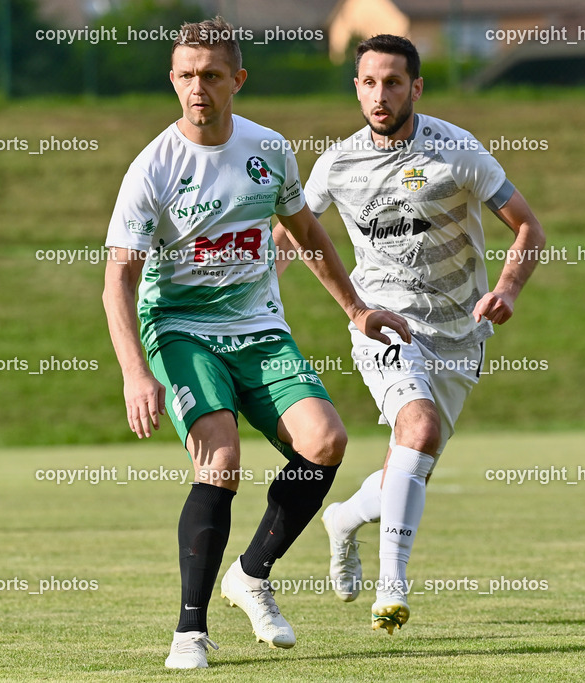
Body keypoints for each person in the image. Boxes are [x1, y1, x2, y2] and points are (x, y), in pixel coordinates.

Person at [101, 17, 410, 670]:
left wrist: (355, 308)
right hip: (181, 328)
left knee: (326, 440)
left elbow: (305, 232)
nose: (197, 87)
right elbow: (118, 280)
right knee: (221, 454)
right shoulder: (152, 167)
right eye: (185, 75)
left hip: (259, 331)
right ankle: (190, 630)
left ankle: (251, 573)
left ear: (236, 80)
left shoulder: (268, 149)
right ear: (172, 80)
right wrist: (135, 372)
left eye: (211, 75)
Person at [274, 34, 546, 634]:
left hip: (460, 332)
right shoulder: (336, 164)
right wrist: (258, 299)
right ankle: (392, 587)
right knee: (416, 429)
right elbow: (289, 235)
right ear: (356, 87)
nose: (380, 94)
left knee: (412, 460)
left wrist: (506, 289)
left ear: (416, 88)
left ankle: (344, 518)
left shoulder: (458, 151)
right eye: (368, 82)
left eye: (393, 82)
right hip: (383, 322)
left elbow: (529, 229)